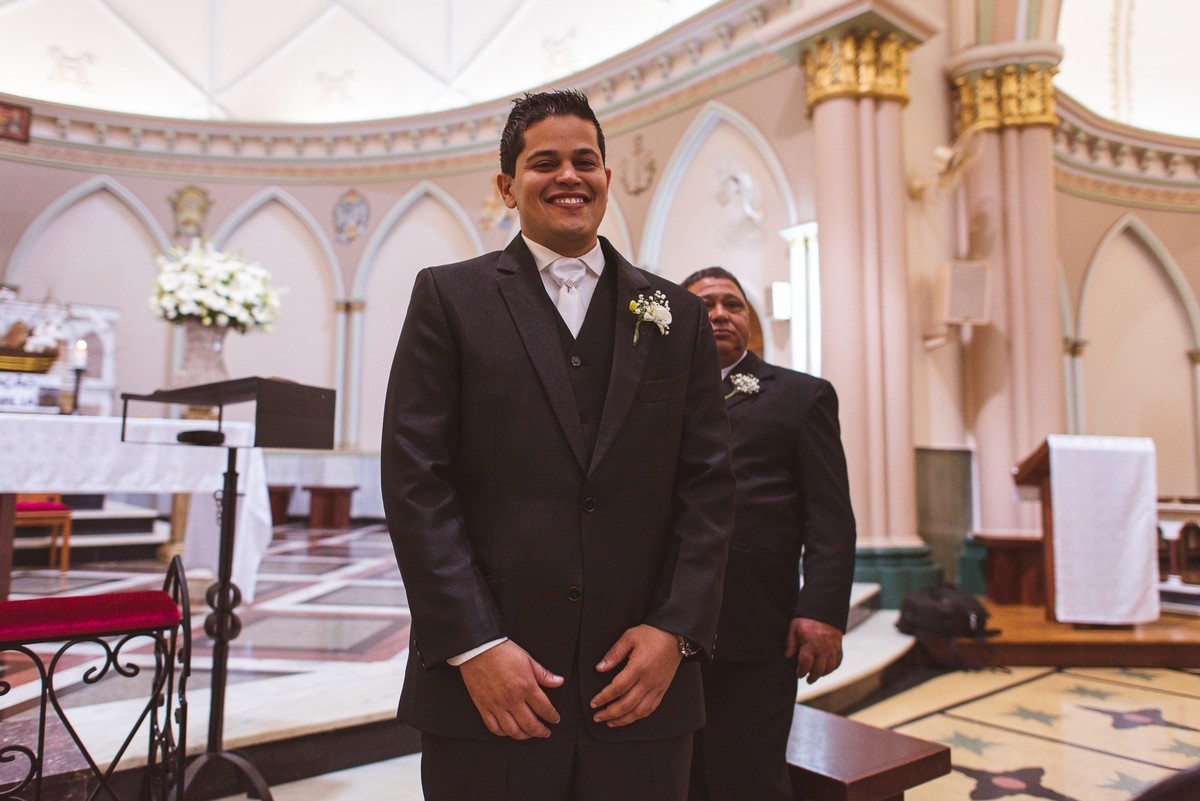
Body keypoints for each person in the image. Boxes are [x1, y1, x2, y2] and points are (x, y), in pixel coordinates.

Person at [381, 90, 735, 801]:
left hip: (639, 682)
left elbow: (709, 487)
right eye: (545, 162)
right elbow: (417, 480)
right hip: (490, 684)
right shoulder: (450, 298)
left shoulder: (677, 314)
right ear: (508, 185)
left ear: (607, 176)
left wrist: (675, 630)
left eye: (586, 160)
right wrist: (474, 645)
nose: (569, 176)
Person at [682, 266, 857, 801]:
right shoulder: (652, 399)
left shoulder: (801, 397)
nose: (719, 313)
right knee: (673, 778)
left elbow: (829, 515)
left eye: (732, 305)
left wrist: (823, 610)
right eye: (705, 304)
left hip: (756, 622)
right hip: (664, 625)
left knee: (747, 776)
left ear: (750, 323)